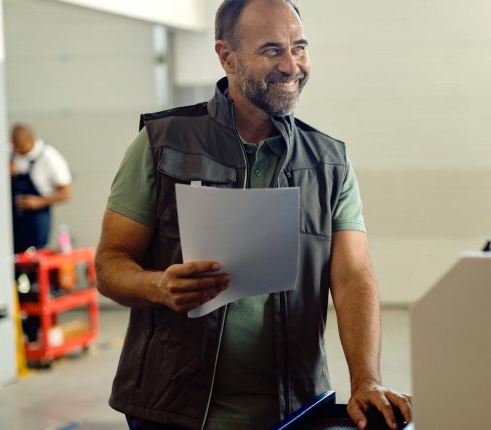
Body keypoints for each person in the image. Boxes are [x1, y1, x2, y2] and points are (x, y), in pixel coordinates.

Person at [94, 1, 412, 429]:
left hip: (293, 408)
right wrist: (157, 286)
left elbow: (353, 275)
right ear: (226, 56)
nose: (291, 65)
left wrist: (366, 380)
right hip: (172, 409)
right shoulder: (162, 142)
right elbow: (110, 262)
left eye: (299, 47)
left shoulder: (329, 161)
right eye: (271, 50)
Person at [10, 123, 72, 254]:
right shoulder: (9, 153)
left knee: (36, 254)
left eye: (21, 147)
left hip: (37, 217)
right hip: (13, 217)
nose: (18, 151)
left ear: (31, 140)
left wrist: (38, 202)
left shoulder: (49, 157)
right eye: (15, 147)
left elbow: (66, 194)